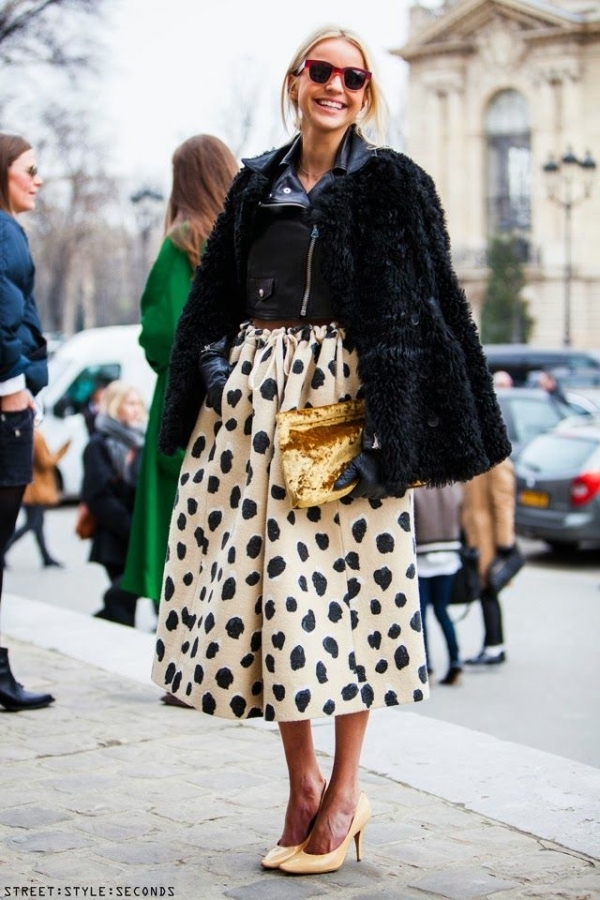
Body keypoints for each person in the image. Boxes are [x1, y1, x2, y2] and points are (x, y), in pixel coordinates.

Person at [151, 25, 511, 874]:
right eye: (322, 71)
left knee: (353, 603)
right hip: (253, 417)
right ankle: (302, 784)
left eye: (353, 77)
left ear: (366, 94)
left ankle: (346, 794)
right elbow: (214, 298)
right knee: (274, 604)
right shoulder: (256, 181)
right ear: (297, 80)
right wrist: (214, 366)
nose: (336, 87)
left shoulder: (392, 182)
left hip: (349, 406)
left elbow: (423, 311)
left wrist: (397, 435)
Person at [121, 135, 238, 616]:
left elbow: (163, 331)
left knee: (178, 529)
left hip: (184, 398)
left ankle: (180, 642)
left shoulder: (183, 240)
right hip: (240, 391)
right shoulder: (244, 234)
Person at [0, 132, 55, 711]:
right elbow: (5, 317)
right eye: (29, 169)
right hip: (7, 413)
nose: (37, 180)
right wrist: (14, 388)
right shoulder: (3, 232)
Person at [81, 380, 146, 627]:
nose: (136, 409)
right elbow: (97, 495)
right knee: (122, 601)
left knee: (129, 597)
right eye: (130, 403)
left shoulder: (143, 441)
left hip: (141, 534)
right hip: (115, 537)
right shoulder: (98, 443)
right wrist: (131, 527)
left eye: (139, 404)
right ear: (115, 405)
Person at [461, 457, 517, 666]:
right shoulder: (480, 458)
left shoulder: (498, 462)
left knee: (488, 592)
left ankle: (494, 648)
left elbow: (504, 503)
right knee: (486, 593)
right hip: (476, 535)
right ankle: (491, 646)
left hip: (488, 539)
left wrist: (504, 543)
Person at [414, 484, 464, 686]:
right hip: (449, 554)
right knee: (442, 612)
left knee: (422, 615)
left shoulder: (416, 485)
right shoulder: (453, 484)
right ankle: (455, 662)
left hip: (422, 556)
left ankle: (427, 668)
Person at [5, 429, 71, 567]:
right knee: (32, 523)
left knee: (38, 525)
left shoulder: (22, 433)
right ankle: (3, 549)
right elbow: (45, 463)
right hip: (35, 489)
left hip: (28, 486)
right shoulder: (35, 437)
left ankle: (46, 557)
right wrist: (61, 452)